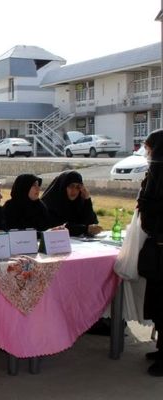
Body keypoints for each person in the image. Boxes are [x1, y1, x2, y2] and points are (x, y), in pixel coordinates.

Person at [137, 129, 163, 376]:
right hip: (157, 245)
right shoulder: (156, 174)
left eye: (149, 148)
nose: (147, 154)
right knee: (157, 301)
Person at [41, 170, 103, 237]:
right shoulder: (49, 204)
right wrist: (85, 229)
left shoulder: (78, 203)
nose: (74, 190)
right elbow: (57, 228)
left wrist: (87, 200)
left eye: (78, 187)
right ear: (63, 187)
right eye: (71, 186)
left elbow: (92, 223)